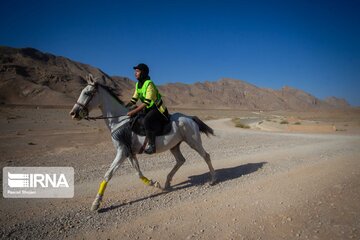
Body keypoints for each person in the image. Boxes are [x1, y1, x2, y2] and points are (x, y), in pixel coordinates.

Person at [126, 63, 169, 154]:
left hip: (157, 109)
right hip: (148, 109)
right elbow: (133, 100)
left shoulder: (149, 84)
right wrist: (124, 108)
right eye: (135, 71)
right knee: (135, 118)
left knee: (146, 121)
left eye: (137, 71)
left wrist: (133, 111)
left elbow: (147, 102)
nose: (135, 73)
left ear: (143, 73)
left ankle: (152, 146)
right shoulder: (138, 84)